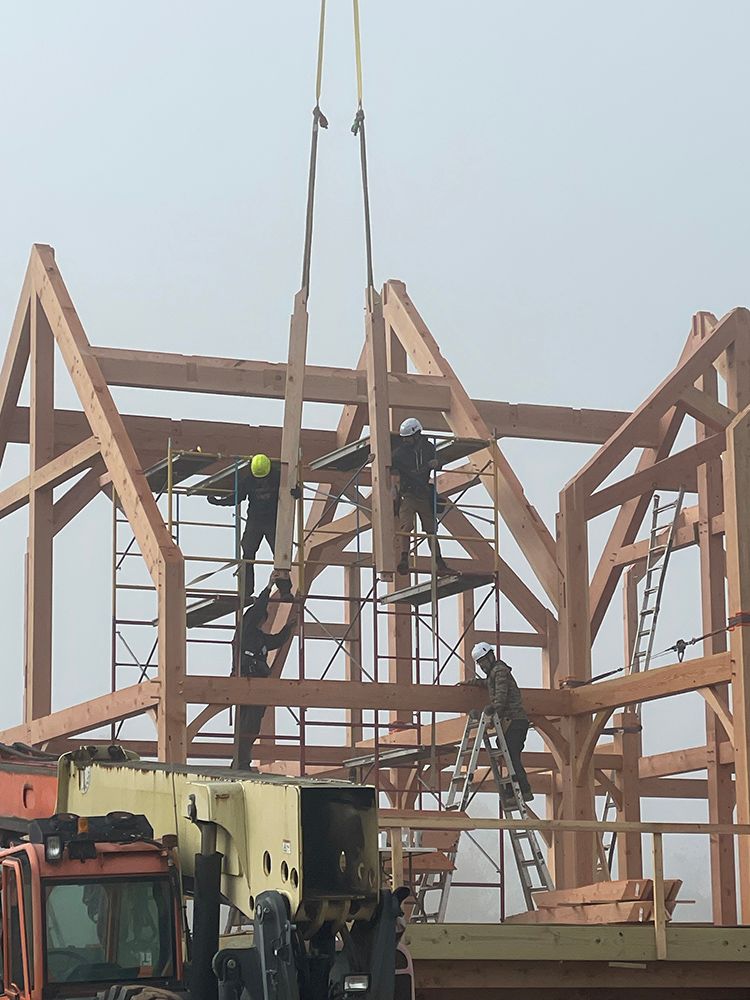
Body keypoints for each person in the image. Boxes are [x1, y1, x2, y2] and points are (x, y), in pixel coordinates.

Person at [232, 584, 297, 769]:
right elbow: (257, 610)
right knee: (245, 726)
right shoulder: (245, 632)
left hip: (257, 683)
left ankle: (242, 760)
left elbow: (275, 641)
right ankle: (240, 761)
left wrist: (287, 628)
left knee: (252, 727)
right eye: (261, 620)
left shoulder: (258, 637)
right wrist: (268, 588)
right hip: (245, 680)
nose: (262, 623)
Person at [467, 641, 533, 802]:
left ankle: (522, 790)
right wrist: (472, 683)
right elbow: (488, 683)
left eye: (483, 662)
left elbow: (501, 698)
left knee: (511, 754)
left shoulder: (500, 671)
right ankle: (514, 790)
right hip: (513, 721)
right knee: (508, 753)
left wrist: (492, 714)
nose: (482, 666)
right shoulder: (495, 673)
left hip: (515, 720)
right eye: (479, 663)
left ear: (491, 657)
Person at [207, 453, 280, 597]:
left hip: (272, 521)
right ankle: (246, 590)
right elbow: (236, 498)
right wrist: (219, 501)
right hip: (256, 521)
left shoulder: (278, 477)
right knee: (248, 553)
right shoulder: (249, 481)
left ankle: (284, 590)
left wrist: (297, 493)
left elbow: (291, 490)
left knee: (280, 555)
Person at [391, 417, 450, 576]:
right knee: (407, 526)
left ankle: (440, 562)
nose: (406, 441)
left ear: (417, 435)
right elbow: (392, 472)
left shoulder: (428, 448)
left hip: (423, 494)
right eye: (405, 438)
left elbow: (440, 460)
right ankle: (404, 559)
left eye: (409, 438)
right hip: (408, 495)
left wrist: (436, 463)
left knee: (431, 530)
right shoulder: (399, 454)